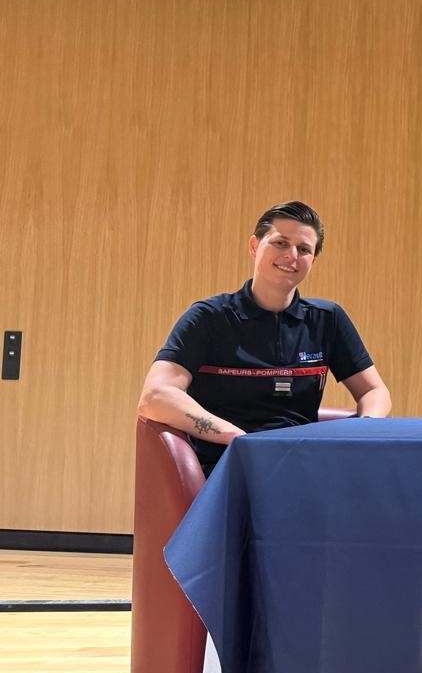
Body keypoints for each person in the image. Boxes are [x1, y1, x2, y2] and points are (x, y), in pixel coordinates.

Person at [137, 201, 391, 474]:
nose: (292, 256)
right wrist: (235, 437)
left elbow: (374, 391)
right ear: (254, 246)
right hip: (227, 465)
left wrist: (364, 429)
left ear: (313, 261)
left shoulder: (327, 319)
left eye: (304, 249)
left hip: (301, 466)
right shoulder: (208, 318)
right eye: (281, 243)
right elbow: (155, 396)